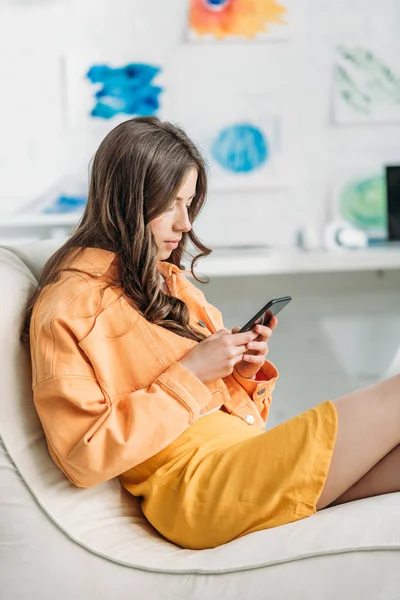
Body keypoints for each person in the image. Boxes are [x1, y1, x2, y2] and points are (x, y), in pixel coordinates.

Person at [21, 116, 400, 550]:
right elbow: (82, 458)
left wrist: (240, 371)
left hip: (239, 460)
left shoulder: (170, 283)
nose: (185, 224)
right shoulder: (68, 307)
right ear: (128, 200)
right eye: (170, 204)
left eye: (190, 203)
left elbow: (242, 420)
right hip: (197, 489)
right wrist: (191, 373)